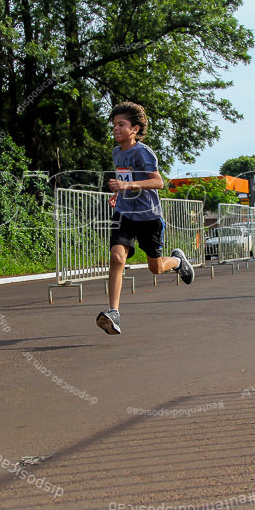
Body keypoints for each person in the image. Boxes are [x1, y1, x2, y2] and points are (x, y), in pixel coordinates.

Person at [96, 102, 194, 335]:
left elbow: (158, 182)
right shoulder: (116, 152)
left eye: (122, 125)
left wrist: (126, 185)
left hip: (149, 216)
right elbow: (125, 180)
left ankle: (178, 261)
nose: (116, 129)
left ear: (135, 129)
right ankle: (113, 312)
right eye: (114, 125)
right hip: (124, 214)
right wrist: (117, 193)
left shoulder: (143, 152)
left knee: (156, 268)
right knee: (117, 257)